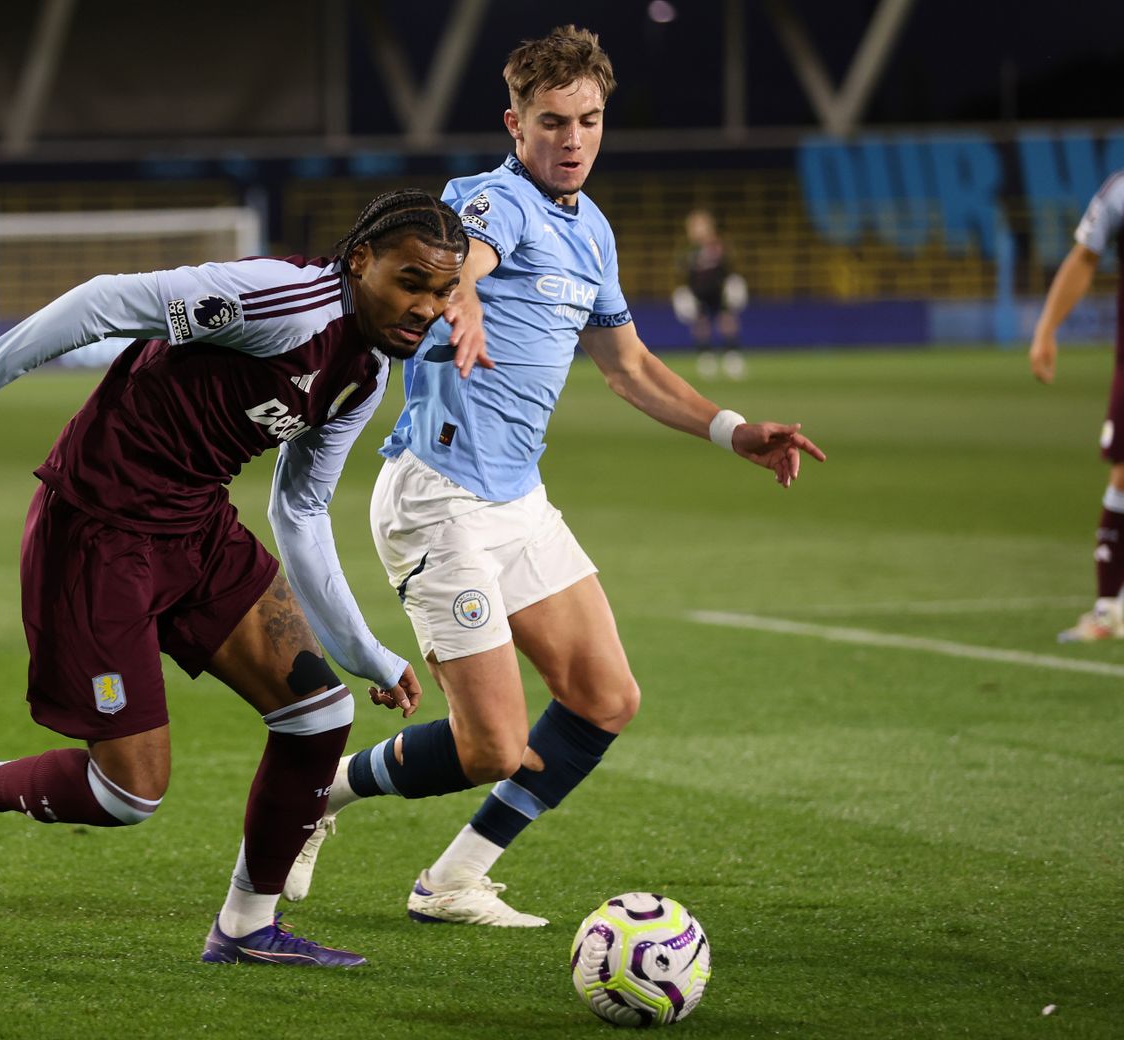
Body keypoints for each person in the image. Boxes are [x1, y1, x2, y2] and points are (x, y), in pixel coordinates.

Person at [280, 25, 826, 927]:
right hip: (438, 499)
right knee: (491, 744)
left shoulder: (593, 231)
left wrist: (735, 432)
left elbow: (630, 366)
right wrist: (460, 304)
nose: (573, 139)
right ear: (516, 122)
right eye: (553, 121)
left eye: (590, 120)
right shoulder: (489, 201)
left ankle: (452, 879)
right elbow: (465, 262)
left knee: (606, 698)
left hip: (517, 501)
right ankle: (317, 795)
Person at [0, 191, 468, 965]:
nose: (428, 307)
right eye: (412, 282)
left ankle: (245, 928)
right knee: (128, 792)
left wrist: (367, 652)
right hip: (97, 531)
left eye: (443, 292)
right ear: (360, 262)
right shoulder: (283, 301)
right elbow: (104, 302)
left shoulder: (363, 376)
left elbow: (300, 510)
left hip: (195, 528)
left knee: (319, 717)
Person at [1027, 167, 1124, 642]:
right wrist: (1047, 328)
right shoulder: (1120, 191)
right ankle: (1110, 609)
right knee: (1123, 474)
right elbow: (1085, 258)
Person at [673, 208, 748, 379]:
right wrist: (683, 291)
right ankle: (706, 356)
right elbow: (681, 272)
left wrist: (734, 282)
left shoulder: (719, 244)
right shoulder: (687, 249)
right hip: (697, 291)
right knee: (701, 323)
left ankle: (732, 355)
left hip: (719, 289)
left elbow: (731, 265)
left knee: (727, 319)